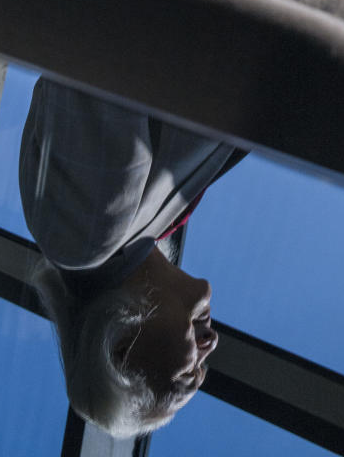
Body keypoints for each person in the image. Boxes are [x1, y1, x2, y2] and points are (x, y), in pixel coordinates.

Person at [20, 78, 242, 436]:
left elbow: (105, 46)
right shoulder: (148, 229)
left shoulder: (81, 241)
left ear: (121, 352)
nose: (211, 344)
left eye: (186, 375)